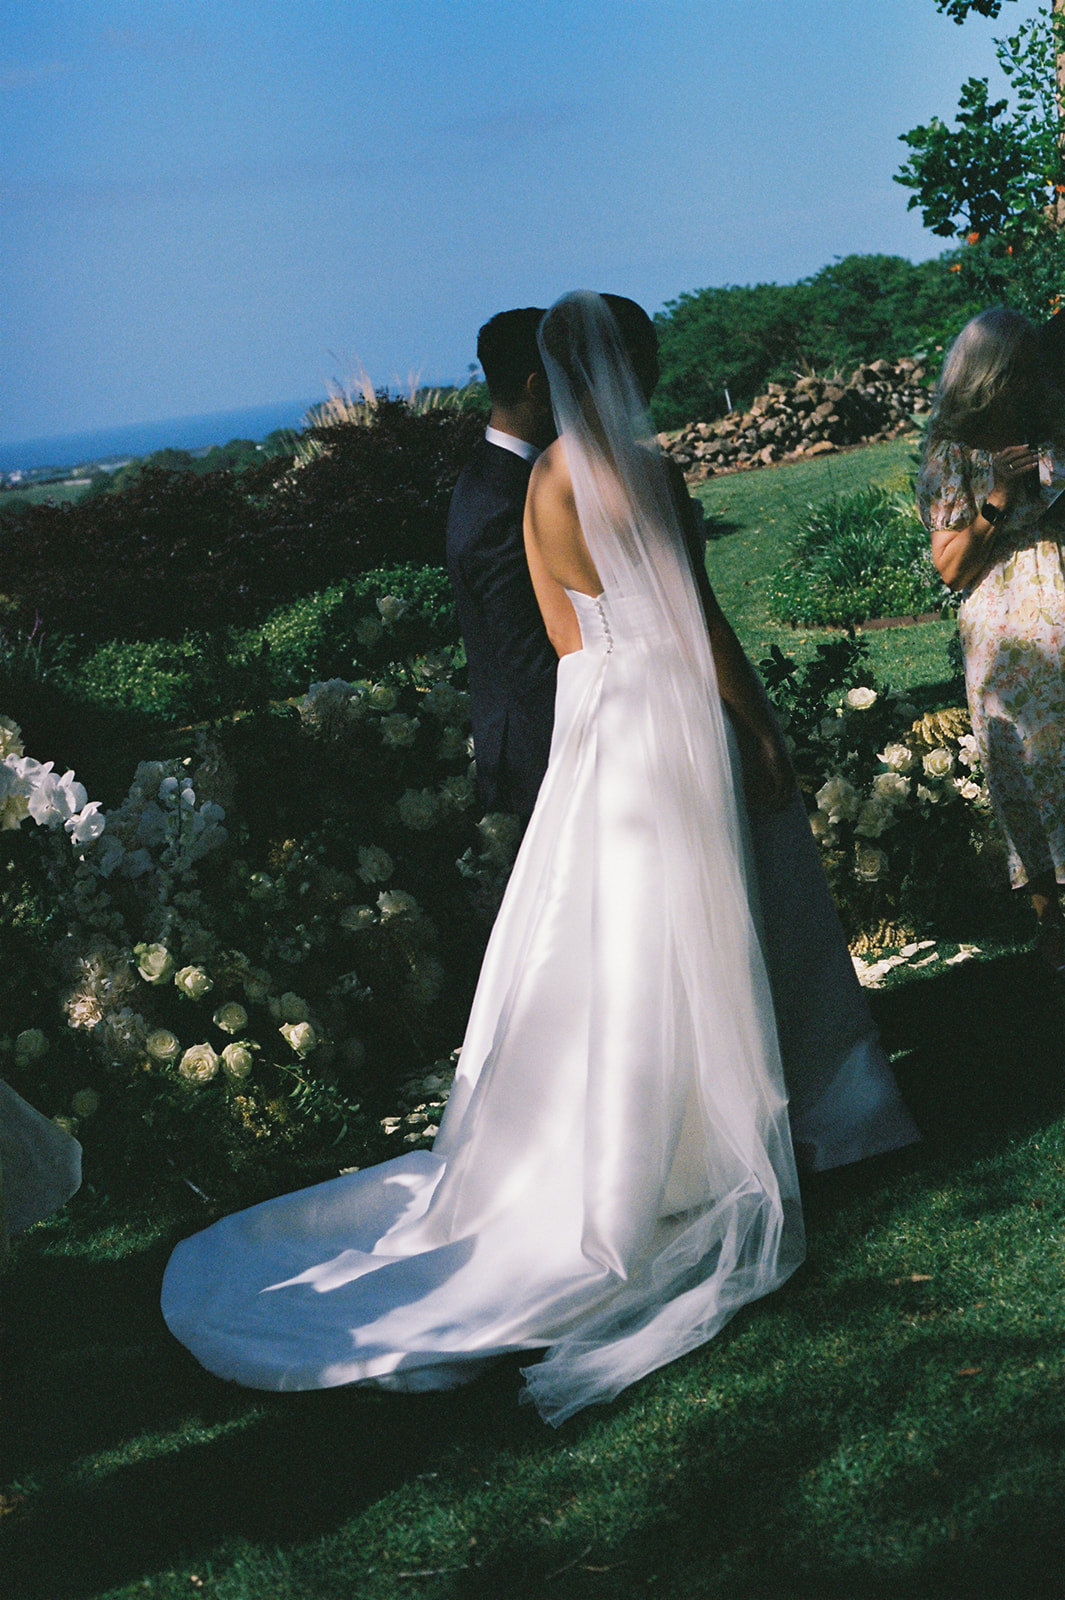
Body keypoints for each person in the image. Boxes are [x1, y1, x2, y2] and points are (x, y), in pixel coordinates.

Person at [161, 293, 909, 1425]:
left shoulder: (543, 480)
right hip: (673, 709)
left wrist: (611, 696)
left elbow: (566, 636)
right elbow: (700, 617)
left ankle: (645, 1139)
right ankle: (751, 1128)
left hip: (598, 716)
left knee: (617, 932)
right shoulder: (642, 471)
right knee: (714, 914)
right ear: (628, 367)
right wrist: (755, 728)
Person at [917, 307, 1065, 971]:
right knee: (1024, 767)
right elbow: (950, 567)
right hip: (1007, 639)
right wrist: (999, 497)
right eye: (1018, 371)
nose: (1030, 382)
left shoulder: (1051, 430)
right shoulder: (951, 455)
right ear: (988, 377)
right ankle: (1051, 924)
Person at [445, 308, 559, 823]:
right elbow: (529, 659)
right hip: (538, 756)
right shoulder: (498, 499)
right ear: (539, 387)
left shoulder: (505, 476)